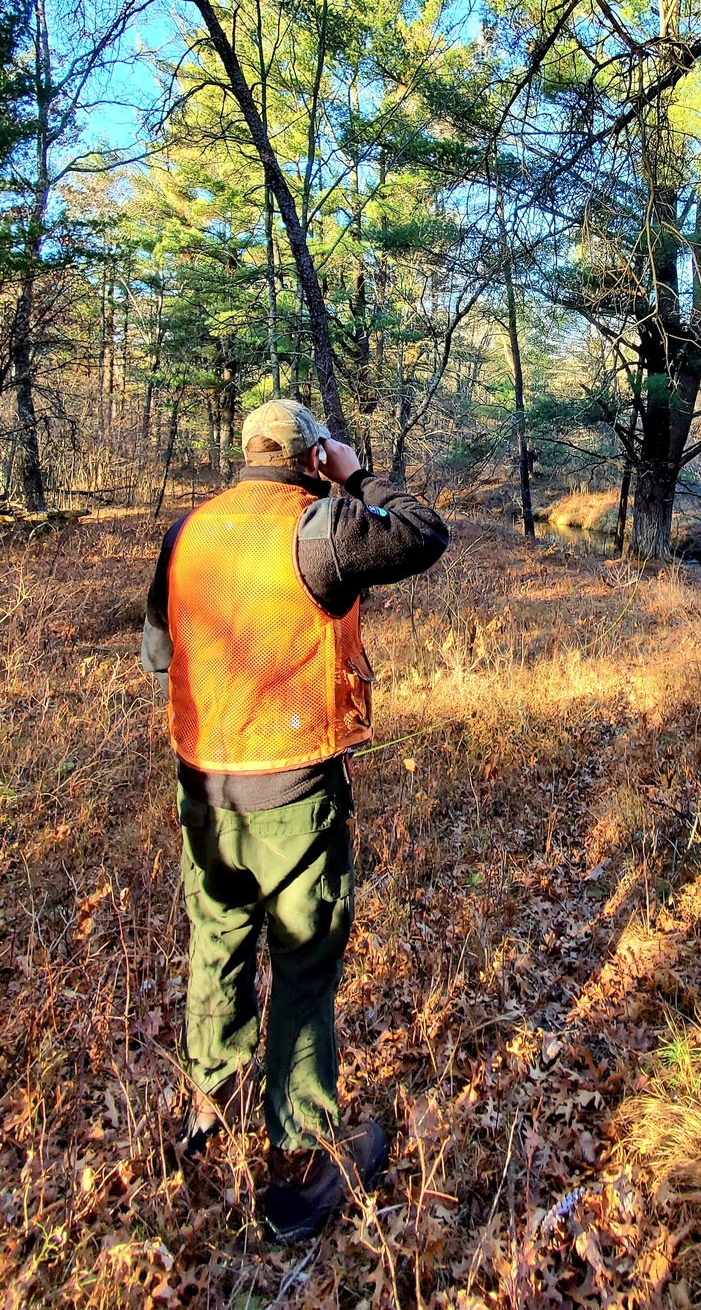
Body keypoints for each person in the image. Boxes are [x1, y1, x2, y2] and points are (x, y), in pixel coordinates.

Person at [141, 398, 448, 1240]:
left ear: (244, 454)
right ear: (312, 459)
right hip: (294, 792)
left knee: (217, 940)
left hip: (203, 786)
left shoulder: (187, 533)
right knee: (305, 966)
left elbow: (159, 653)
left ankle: (209, 1102)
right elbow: (424, 532)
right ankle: (303, 1166)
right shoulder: (323, 526)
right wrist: (359, 475)